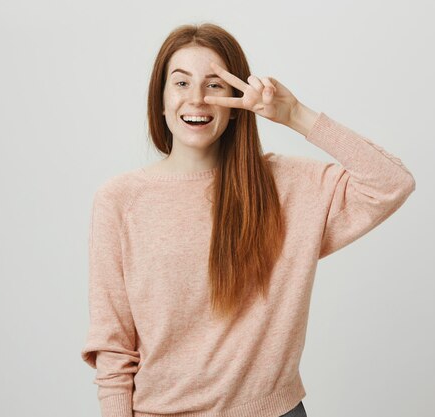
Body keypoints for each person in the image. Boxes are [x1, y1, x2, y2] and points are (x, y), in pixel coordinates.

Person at [80, 22, 415, 417]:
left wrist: (294, 114)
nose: (198, 99)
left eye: (215, 85)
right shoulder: (119, 200)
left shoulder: (287, 187)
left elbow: (391, 182)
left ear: (238, 101)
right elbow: (114, 345)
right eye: (182, 83)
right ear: (161, 98)